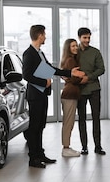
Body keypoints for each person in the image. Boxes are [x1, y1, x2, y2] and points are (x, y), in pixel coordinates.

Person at [22, 25, 84, 168]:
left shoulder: (39, 53)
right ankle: (33, 158)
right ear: (39, 35)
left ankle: (40, 154)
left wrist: (69, 73)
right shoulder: (29, 53)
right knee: (35, 126)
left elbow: (50, 69)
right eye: (44, 34)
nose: (45, 36)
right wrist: (44, 82)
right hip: (35, 95)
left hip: (42, 94)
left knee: (41, 125)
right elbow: (26, 75)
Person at [76, 27, 106, 155]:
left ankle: (98, 146)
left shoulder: (95, 52)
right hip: (79, 90)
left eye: (89, 37)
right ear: (79, 38)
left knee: (96, 118)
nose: (87, 40)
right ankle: (84, 146)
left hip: (94, 89)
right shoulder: (74, 52)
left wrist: (88, 77)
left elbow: (101, 69)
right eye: (85, 38)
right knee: (81, 118)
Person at [59, 39, 83, 157]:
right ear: (68, 48)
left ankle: (66, 146)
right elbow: (74, 78)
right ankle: (66, 148)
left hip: (70, 94)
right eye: (72, 46)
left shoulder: (70, 59)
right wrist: (82, 77)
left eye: (76, 46)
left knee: (69, 122)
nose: (75, 48)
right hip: (69, 95)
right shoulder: (70, 60)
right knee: (68, 123)